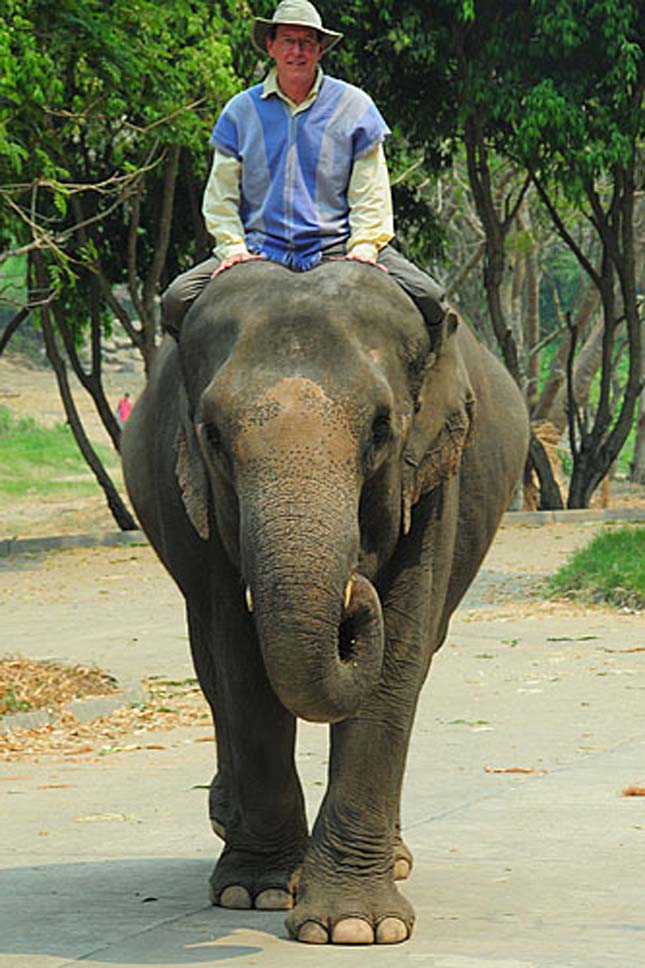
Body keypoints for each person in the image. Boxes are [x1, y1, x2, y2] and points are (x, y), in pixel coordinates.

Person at [162, 0, 446, 338]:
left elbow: (371, 193)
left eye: (306, 43)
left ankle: (439, 383)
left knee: (430, 298)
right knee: (176, 299)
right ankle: (182, 388)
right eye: (288, 41)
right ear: (271, 46)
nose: (297, 51)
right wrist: (233, 248)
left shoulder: (354, 106)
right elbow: (220, 196)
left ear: (320, 49)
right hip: (260, 247)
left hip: (336, 246)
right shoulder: (240, 111)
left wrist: (365, 247)